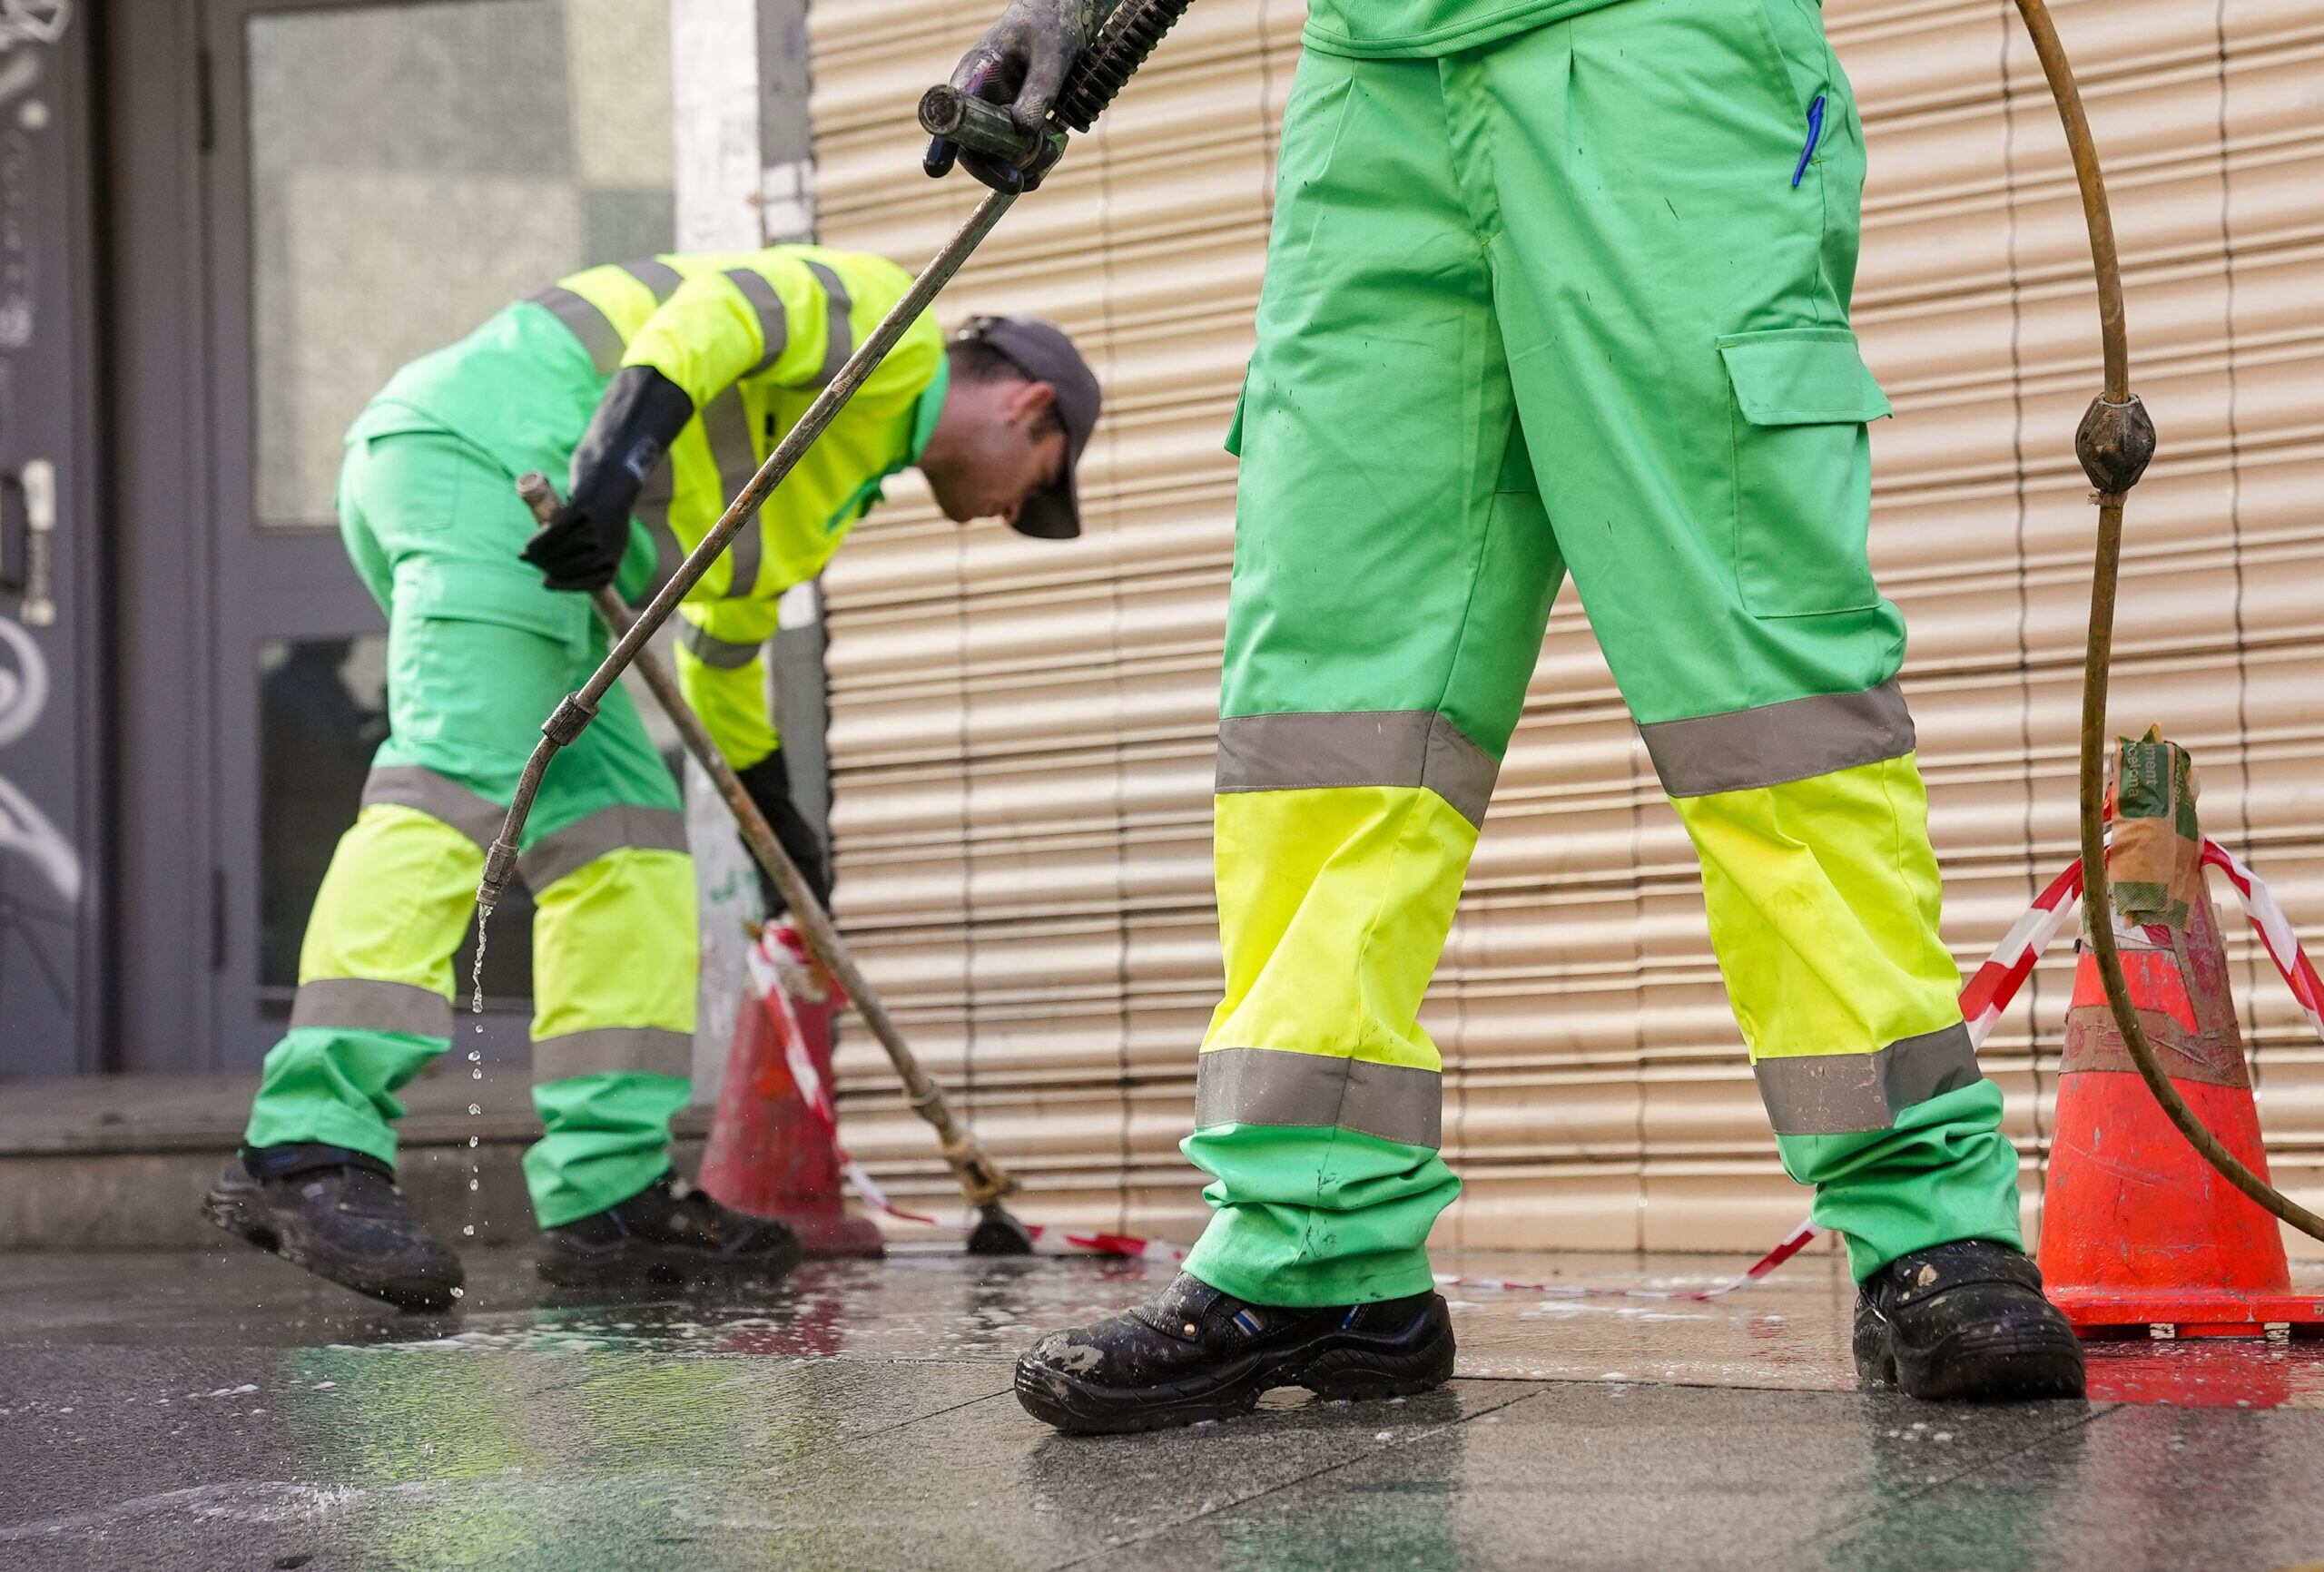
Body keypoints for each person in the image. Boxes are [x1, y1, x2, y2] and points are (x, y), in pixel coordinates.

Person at [933, 0, 2086, 1432]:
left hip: (1651, 51)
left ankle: (1927, 1223)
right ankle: (1317, 1244)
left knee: (1759, 691)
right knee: (1330, 720)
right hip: (1375, 87)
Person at [204, 245, 1100, 1312]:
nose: (1012, 513)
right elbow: (718, 314)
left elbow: (725, 647)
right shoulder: (886, 318)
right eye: (1037, 487)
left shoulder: (834, 488)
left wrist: (779, 824)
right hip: (495, 464)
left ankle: (608, 1196)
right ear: (1028, 405)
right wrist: (615, 470)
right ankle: (308, 1144)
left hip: (540, 535)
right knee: (457, 783)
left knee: (628, 840)